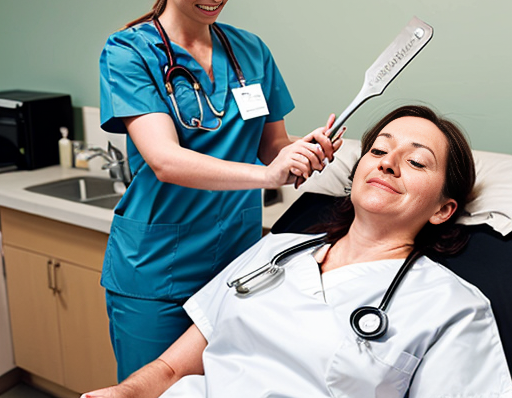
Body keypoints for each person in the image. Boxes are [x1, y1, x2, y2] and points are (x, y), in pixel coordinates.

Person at [82, 105, 512, 397]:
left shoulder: (453, 307)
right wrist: (124, 392)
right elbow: (172, 369)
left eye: (416, 162)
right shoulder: (275, 251)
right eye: (378, 150)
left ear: (443, 209)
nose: (386, 162)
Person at [99, 0, 341, 381]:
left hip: (238, 265)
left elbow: (272, 146)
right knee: (154, 389)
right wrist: (268, 173)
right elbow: (165, 159)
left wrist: (301, 150)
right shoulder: (129, 52)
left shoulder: (251, 50)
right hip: (156, 270)